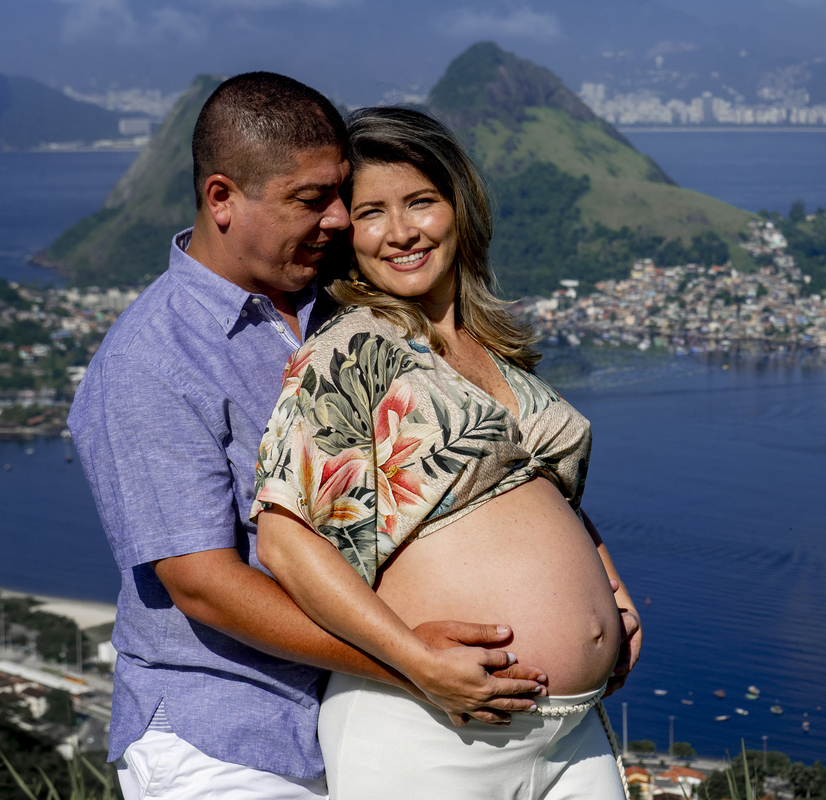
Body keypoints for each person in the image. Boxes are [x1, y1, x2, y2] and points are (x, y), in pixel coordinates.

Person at [68, 73, 551, 800]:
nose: (337, 220)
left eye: (339, 194)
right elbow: (204, 584)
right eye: (310, 199)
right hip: (225, 738)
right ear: (222, 198)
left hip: (357, 724)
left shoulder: (344, 310)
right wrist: (410, 659)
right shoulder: (151, 361)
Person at [249, 105, 642, 799]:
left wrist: (610, 593)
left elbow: (548, 501)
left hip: (570, 731)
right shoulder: (352, 350)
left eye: (421, 202)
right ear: (346, 232)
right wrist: (413, 660)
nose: (401, 232)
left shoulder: (496, 354)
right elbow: (285, 540)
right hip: (427, 727)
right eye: (372, 212)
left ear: (458, 207)